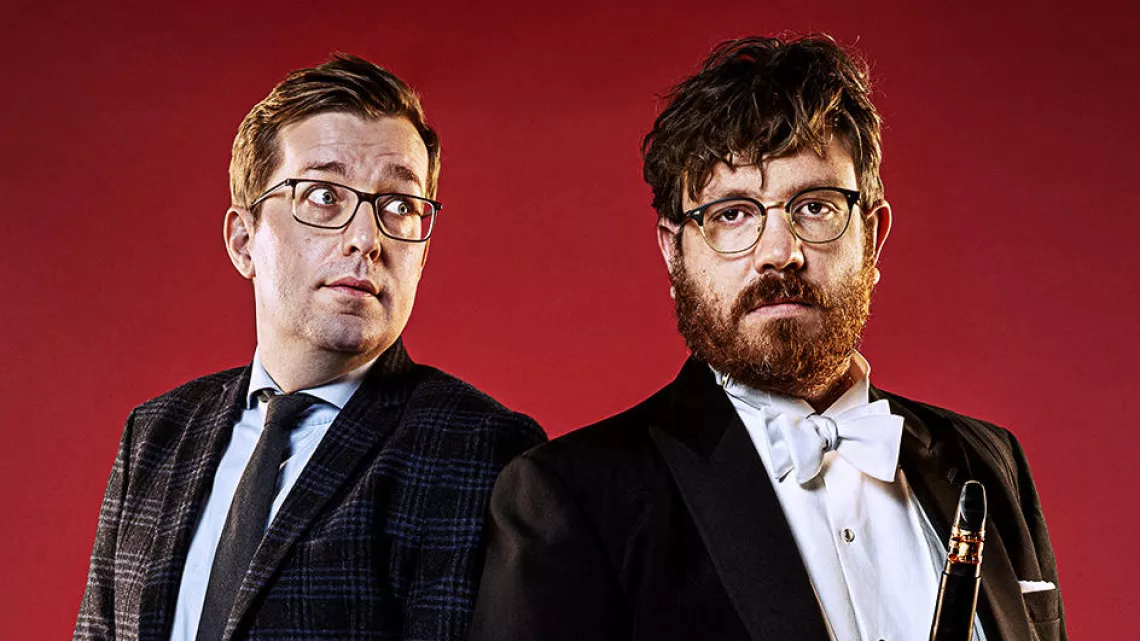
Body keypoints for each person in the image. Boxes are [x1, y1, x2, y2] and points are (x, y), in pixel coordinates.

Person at [471, 35, 1065, 641]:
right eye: (732, 213)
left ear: (873, 236)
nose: (780, 253)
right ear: (674, 252)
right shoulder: (569, 498)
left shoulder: (992, 461)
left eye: (815, 206)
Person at [74, 54, 545, 641]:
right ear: (243, 240)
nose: (366, 238)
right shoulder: (156, 434)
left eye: (400, 206)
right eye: (324, 195)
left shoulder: (484, 450)